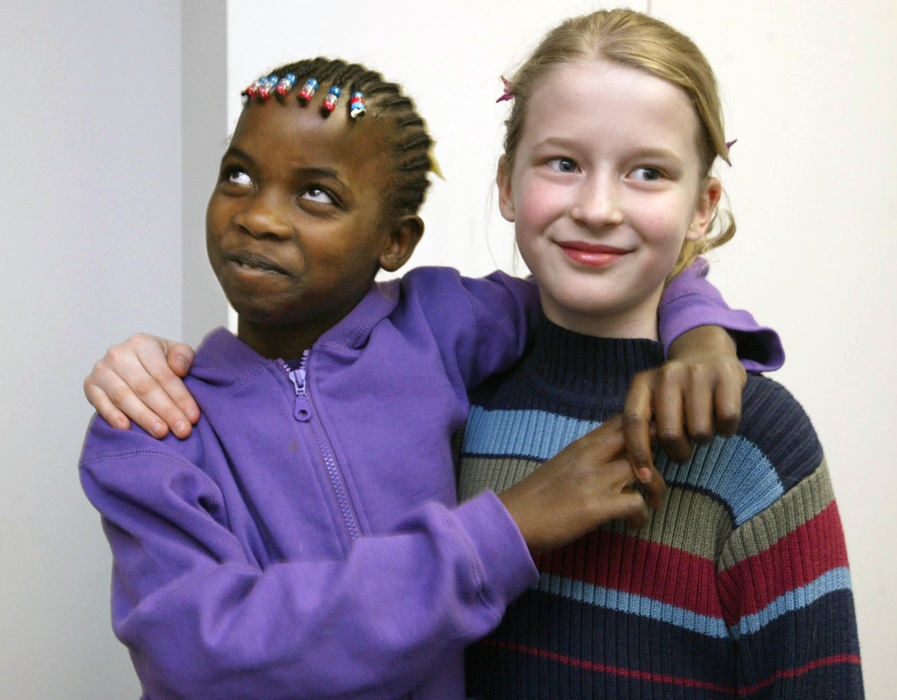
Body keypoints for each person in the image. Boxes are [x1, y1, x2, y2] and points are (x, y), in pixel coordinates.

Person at [78, 58, 782, 699]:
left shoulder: (441, 323)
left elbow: (605, 279)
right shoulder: (150, 429)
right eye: (237, 175)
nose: (258, 217)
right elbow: (203, 654)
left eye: (316, 194)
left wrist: (700, 335)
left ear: (395, 241)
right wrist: (507, 530)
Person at [456, 9, 863, 698]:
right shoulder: (448, 398)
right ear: (506, 183)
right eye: (563, 163)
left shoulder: (755, 441)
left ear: (701, 207)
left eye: (646, 172)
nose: (597, 207)